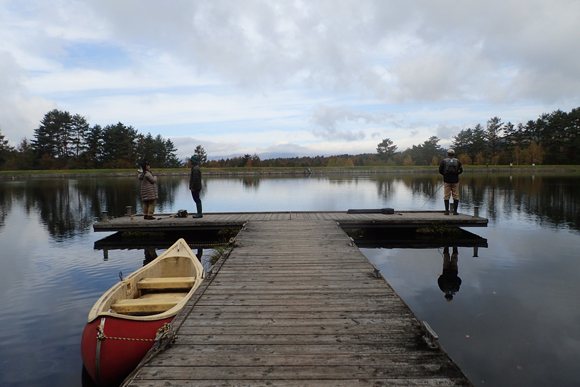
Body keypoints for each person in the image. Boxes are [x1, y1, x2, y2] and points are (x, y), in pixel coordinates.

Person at [439, 148, 463, 215]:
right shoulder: (457, 161)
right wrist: (456, 174)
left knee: (446, 195)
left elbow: (440, 170)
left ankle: (447, 211)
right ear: (454, 154)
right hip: (455, 180)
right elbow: (461, 170)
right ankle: (455, 211)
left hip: (447, 180)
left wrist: (445, 175)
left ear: (447, 154)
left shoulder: (444, 161)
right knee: (456, 196)